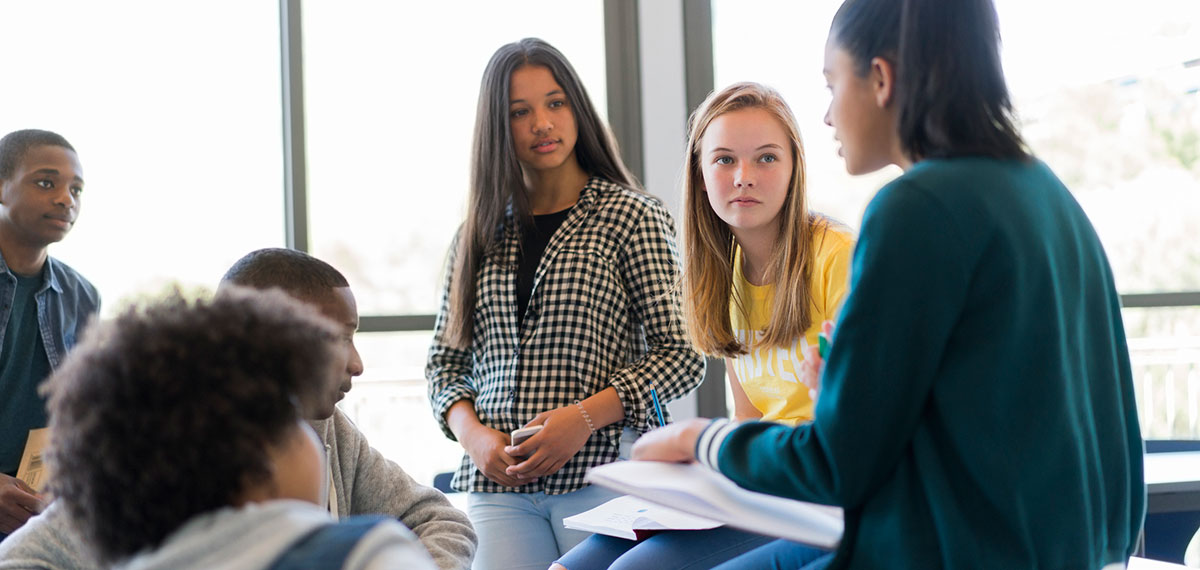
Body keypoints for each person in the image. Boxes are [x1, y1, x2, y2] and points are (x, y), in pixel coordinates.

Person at [631, 1, 1145, 569]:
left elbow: (836, 465)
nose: (827, 116)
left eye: (832, 84)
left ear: (880, 79)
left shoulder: (916, 208)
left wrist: (701, 441)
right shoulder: (1044, 191)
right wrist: (847, 393)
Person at [0, 248, 477, 570]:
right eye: (338, 338)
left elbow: (441, 519)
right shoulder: (366, 552)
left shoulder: (333, 430)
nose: (356, 362)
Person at [426, 37, 705, 570]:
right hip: (497, 487)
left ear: (577, 108)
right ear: (498, 127)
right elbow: (445, 363)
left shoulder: (632, 217)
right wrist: (475, 436)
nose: (542, 124)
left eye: (555, 103)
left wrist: (581, 417)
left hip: (602, 473)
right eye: (520, 112)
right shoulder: (477, 235)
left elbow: (683, 353)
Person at [554, 82, 854, 570]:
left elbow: (855, 429)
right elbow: (749, 417)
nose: (744, 177)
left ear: (795, 166)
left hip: (811, 491)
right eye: (724, 160)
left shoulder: (836, 258)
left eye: (766, 158)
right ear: (699, 174)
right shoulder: (722, 273)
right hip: (755, 482)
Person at [0, 129, 99, 541]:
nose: (66, 199)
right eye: (46, 183)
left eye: (76, 189)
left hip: (34, 514)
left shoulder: (82, 295)